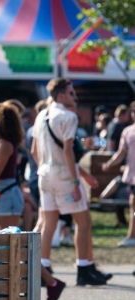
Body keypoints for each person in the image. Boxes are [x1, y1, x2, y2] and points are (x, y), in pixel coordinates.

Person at [31, 78, 108, 286]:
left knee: (49, 223)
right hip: (64, 175)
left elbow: (33, 150)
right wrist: (75, 181)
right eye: (71, 92)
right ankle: (83, 267)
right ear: (62, 95)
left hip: (44, 174)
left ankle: (43, 267)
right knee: (83, 222)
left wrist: (42, 170)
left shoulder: (40, 116)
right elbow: (67, 150)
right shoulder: (68, 116)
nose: (74, 96)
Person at [101, 101, 135, 247]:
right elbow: (121, 153)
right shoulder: (128, 131)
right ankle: (132, 236)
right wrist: (110, 163)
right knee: (133, 205)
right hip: (133, 175)